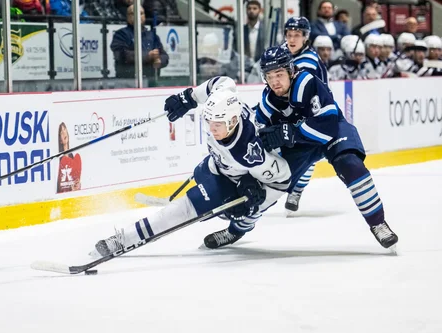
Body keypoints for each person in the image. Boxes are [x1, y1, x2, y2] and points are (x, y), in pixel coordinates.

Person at [91, 76, 292, 256]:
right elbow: (223, 82)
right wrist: (190, 97)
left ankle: (122, 240)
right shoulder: (225, 100)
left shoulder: (247, 153)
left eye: (217, 124)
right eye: (208, 122)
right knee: (199, 173)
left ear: (232, 121)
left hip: (232, 182)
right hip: (219, 165)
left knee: (188, 209)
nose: (211, 129)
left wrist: (258, 198)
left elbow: (283, 179)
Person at [255, 45, 398, 250]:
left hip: (333, 131)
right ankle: (236, 229)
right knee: (272, 182)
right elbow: (259, 129)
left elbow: (327, 123)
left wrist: (291, 134)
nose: (275, 81)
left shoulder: (307, 83)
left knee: (350, 164)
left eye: (279, 73)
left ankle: (378, 223)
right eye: (269, 76)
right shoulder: (268, 101)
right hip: (302, 142)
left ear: (290, 70)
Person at [279, 16, 328, 214]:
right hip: (289, 108)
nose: (292, 39)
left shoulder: (309, 59)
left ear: (305, 38)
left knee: (309, 153)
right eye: (289, 35)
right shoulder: (282, 52)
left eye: (297, 35)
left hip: (312, 110)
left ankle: (296, 191)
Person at [110, 4, 169, 86]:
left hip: (150, 81)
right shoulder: (120, 34)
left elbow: (164, 55)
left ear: (144, 16)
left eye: (141, 13)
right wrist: (147, 56)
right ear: (128, 16)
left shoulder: (152, 35)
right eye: (133, 13)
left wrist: (159, 60)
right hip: (127, 82)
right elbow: (121, 55)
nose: (138, 16)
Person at [57, 122, 82, 193]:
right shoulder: (59, 159)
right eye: (61, 132)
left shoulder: (73, 158)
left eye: (65, 129)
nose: (64, 133)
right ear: (60, 140)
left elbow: (77, 179)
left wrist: (78, 185)